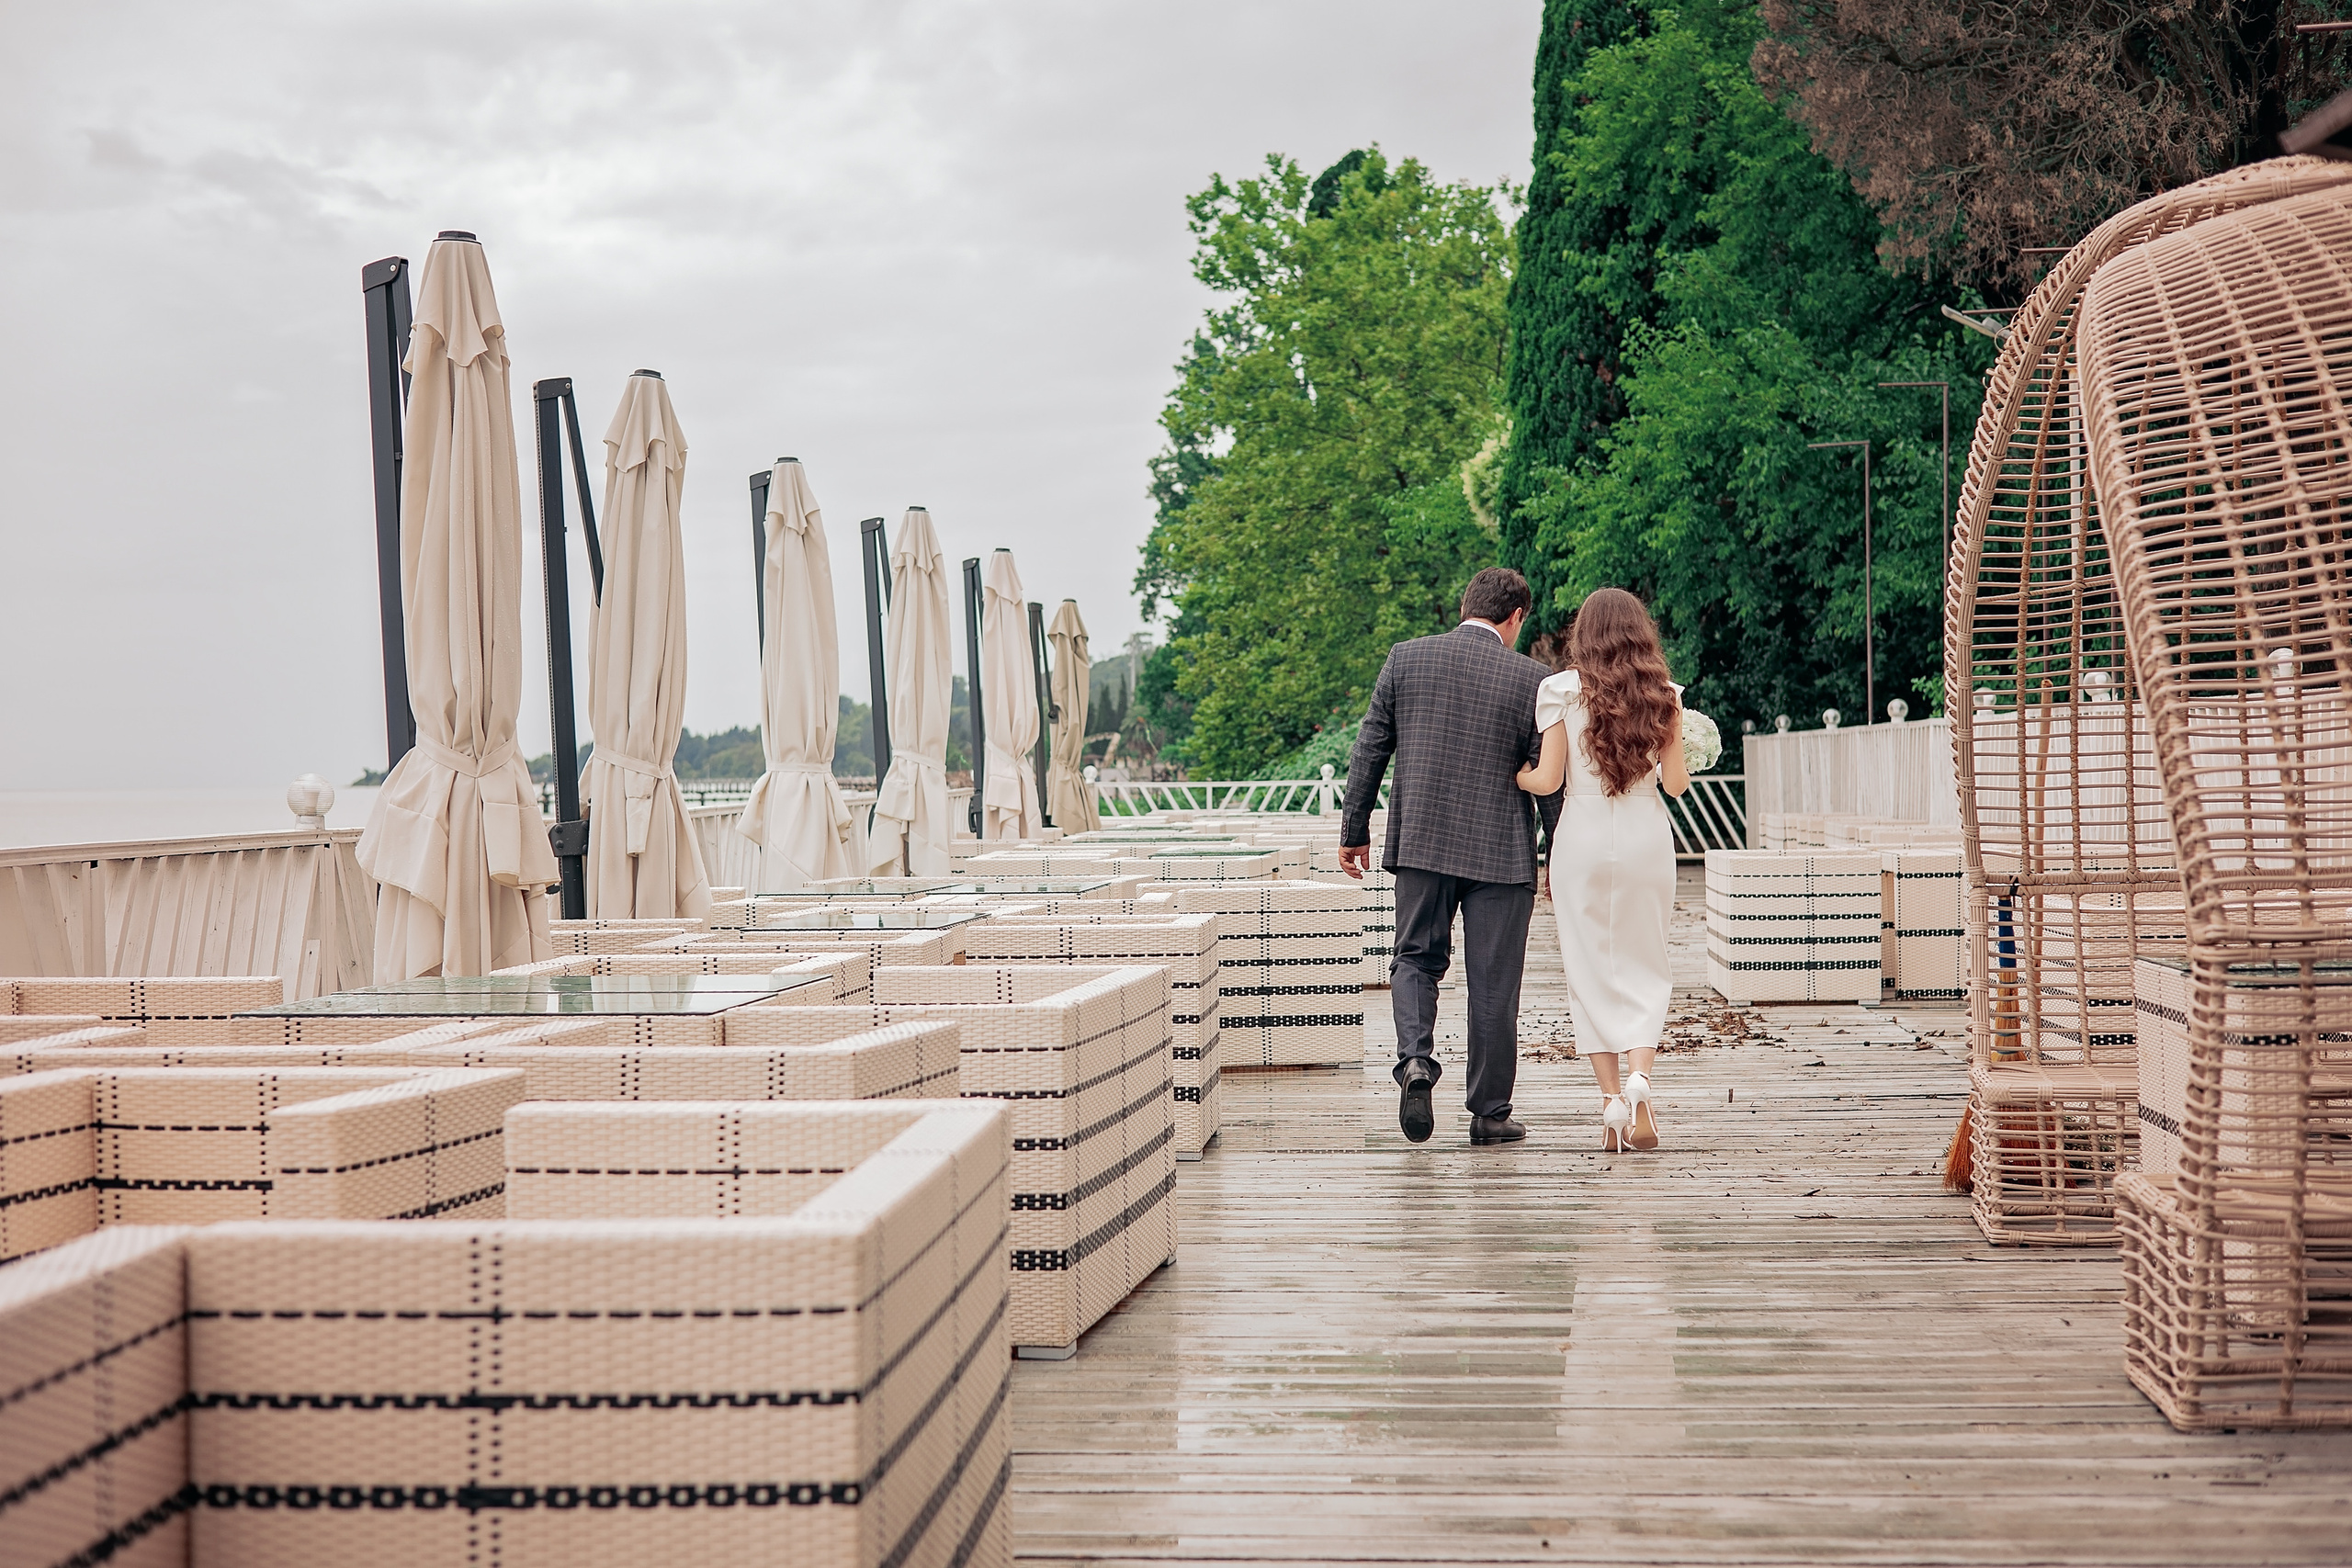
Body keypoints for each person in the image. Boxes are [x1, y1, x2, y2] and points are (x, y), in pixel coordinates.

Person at [1340, 567, 1560, 1145]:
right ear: (1514, 618)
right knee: (1494, 981)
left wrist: (1354, 828)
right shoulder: (1533, 680)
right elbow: (1548, 778)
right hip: (1502, 854)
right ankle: (1489, 1112)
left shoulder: (1405, 659)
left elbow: (1370, 747)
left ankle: (1416, 1061)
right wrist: (1558, 853)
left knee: (1415, 958)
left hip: (1423, 843)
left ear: (1466, 606)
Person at [1513, 587, 1688, 1151]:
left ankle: (1613, 1100)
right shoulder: (1664, 696)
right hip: (1644, 835)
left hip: (1582, 839)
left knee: (1587, 967)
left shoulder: (1560, 691)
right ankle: (1642, 1080)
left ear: (1583, 635)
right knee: (1646, 962)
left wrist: (1518, 775)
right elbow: (1677, 784)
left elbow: (1548, 782)